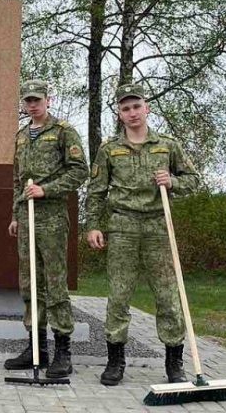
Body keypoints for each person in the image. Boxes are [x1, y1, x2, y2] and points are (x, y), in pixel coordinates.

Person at [86, 83, 200, 386]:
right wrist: (93, 225)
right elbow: (95, 191)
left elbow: (193, 179)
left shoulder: (167, 145)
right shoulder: (109, 149)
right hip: (122, 225)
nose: (132, 112)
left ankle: (174, 363)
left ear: (146, 107)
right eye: (125, 108)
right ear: (119, 114)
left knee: (167, 295)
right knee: (119, 294)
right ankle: (115, 361)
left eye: (136, 106)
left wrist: (172, 181)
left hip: (157, 226)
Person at [4, 79, 89, 378]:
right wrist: (16, 213)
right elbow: (18, 179)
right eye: (28, 100)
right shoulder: (21, 136)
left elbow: (80, 170)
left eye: (37, 100)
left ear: (47, 101)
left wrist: (47, 190)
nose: (33, 105)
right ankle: (36, 346)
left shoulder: (63, 132)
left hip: (51, 217)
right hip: (26, 219)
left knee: (54, 283)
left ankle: (63, 350)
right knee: (30, 283)